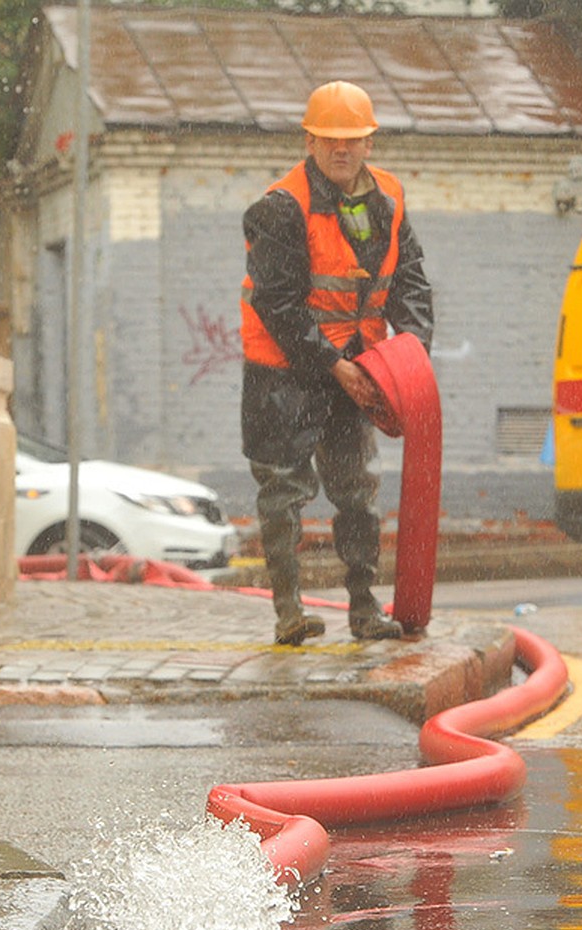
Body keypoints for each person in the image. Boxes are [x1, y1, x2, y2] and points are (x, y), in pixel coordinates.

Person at [240, 80, 434, 645]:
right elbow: (278, 303)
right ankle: (288, 614)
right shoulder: (281, 208)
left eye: (351, 139)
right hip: (283, 371)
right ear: (309, 140)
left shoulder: (389, 200)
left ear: (369, 143)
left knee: (356, 491)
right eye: (329, 139)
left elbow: (411, 280)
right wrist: (334, 366)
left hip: (356, 366)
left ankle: (364, 611)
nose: (341, 149)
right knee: (284, 491)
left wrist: (411, 351)